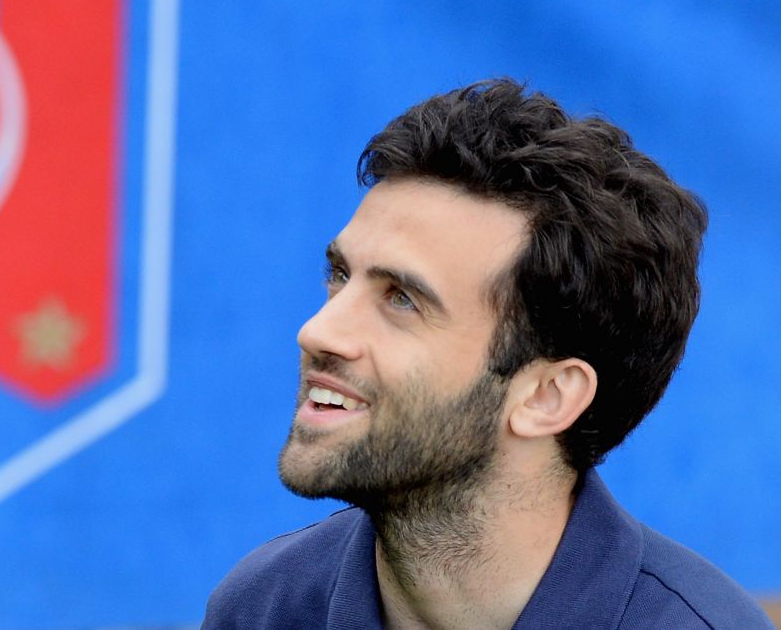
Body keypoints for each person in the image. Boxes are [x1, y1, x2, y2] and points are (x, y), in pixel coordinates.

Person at [202, 80, 771, 629]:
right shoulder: (264, 609)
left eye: (402, 298)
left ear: (548, 396)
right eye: (340, 275)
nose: (318, 331)